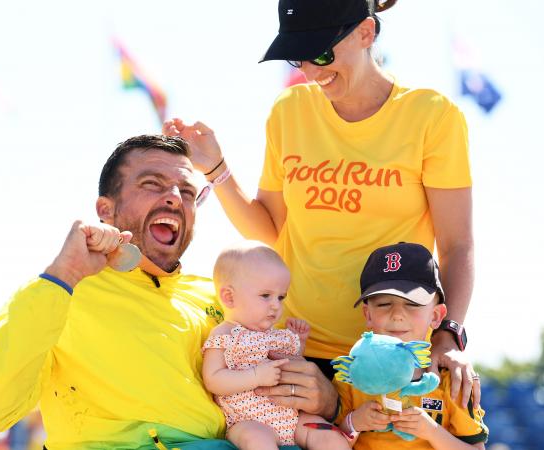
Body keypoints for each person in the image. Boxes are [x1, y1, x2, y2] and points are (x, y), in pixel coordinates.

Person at [163, 0, 479, 409]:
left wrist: (449, 334)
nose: (311, 71)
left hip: (389, 357)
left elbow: (457, 246)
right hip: (292, 347)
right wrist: (215, 168)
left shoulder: (433, 117)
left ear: (366, 32)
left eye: (323, 53)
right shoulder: (288, 111)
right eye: (299, 56)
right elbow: (271, 230)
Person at [0, 135, 337, 449]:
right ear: (104, 210)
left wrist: (327, 399)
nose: (175, 197)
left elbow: (300, 386)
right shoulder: (62, 292)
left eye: (187, 192)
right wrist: (64, 275)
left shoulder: (230, 298)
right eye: (152, 184)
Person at [335, 242, 487, 449]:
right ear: (367, 314)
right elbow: (329, 440)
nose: (397, 315)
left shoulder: (452, 381)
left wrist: (431, 431)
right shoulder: (352, 376)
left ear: (436, 316)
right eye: (384, 304)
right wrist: (353, 423)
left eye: (412, 303)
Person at [203, 242, 350, 450]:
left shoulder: (276, 335)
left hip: (291, 417)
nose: (276, 305)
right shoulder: (224, 334)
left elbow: (292, 364)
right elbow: (213, 379)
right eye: (266, 296)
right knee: (257, 441)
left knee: (331, 436)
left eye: (281, 297)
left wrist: (300, 342)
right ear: (229, 297)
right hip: (247, 421)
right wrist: (255, 376)